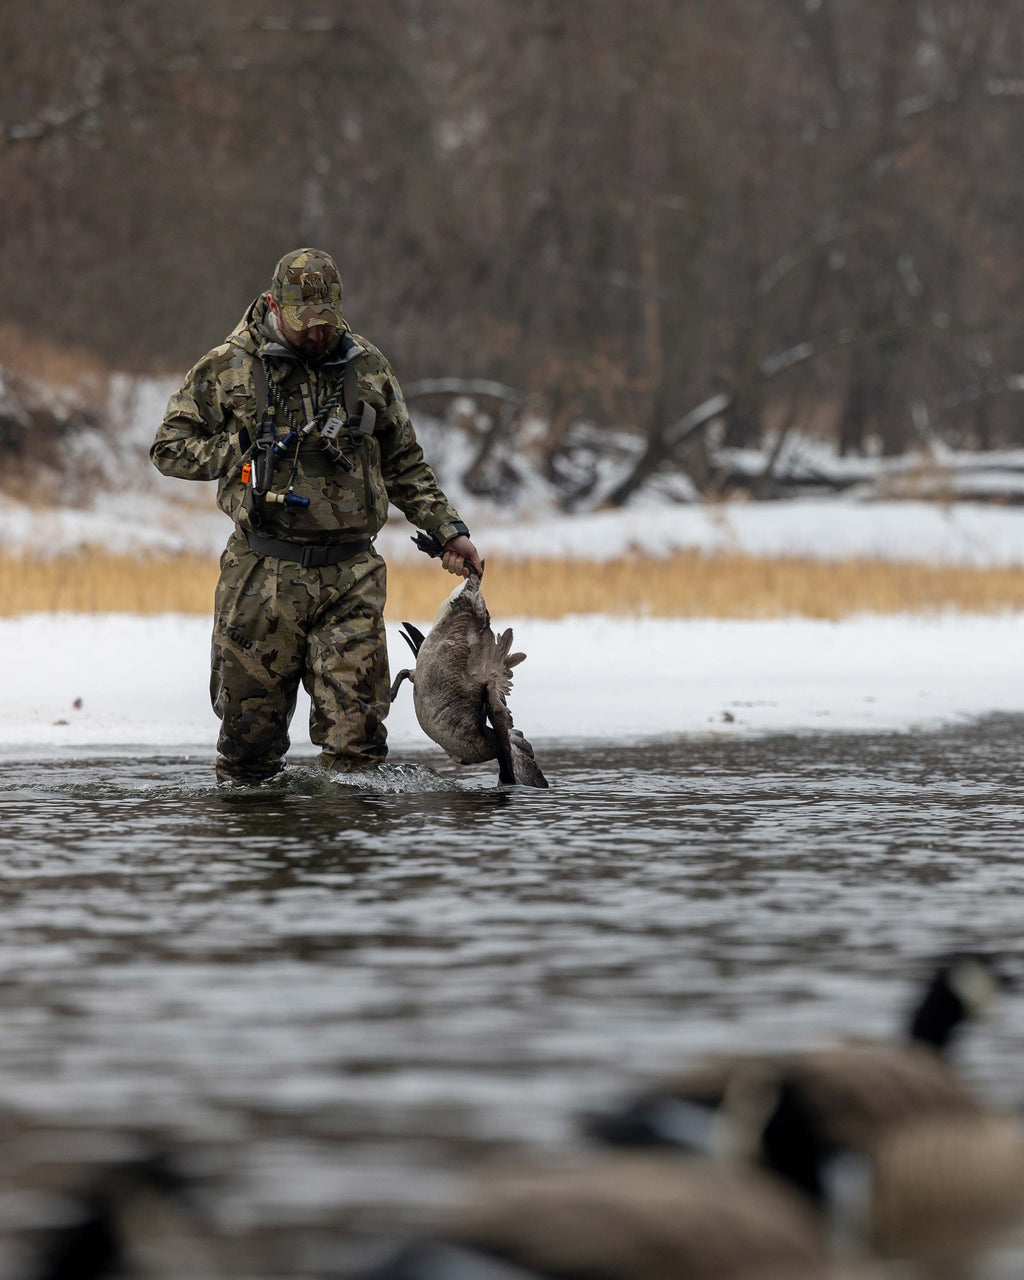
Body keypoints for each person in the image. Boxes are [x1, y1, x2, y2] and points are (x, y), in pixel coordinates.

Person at [151, 247, 482, 785]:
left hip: (351, 575)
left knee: (357, 749)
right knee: (248, 753)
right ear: (273, 305)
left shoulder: (367, 366)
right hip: (261, 575)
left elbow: (404, 464)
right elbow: (168, 448)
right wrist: (238, 446)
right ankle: (259, 849)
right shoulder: (226, 367)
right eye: (303, 323)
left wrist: (449, 529)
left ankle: (342, 857)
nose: (314, 335)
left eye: (324, 322)